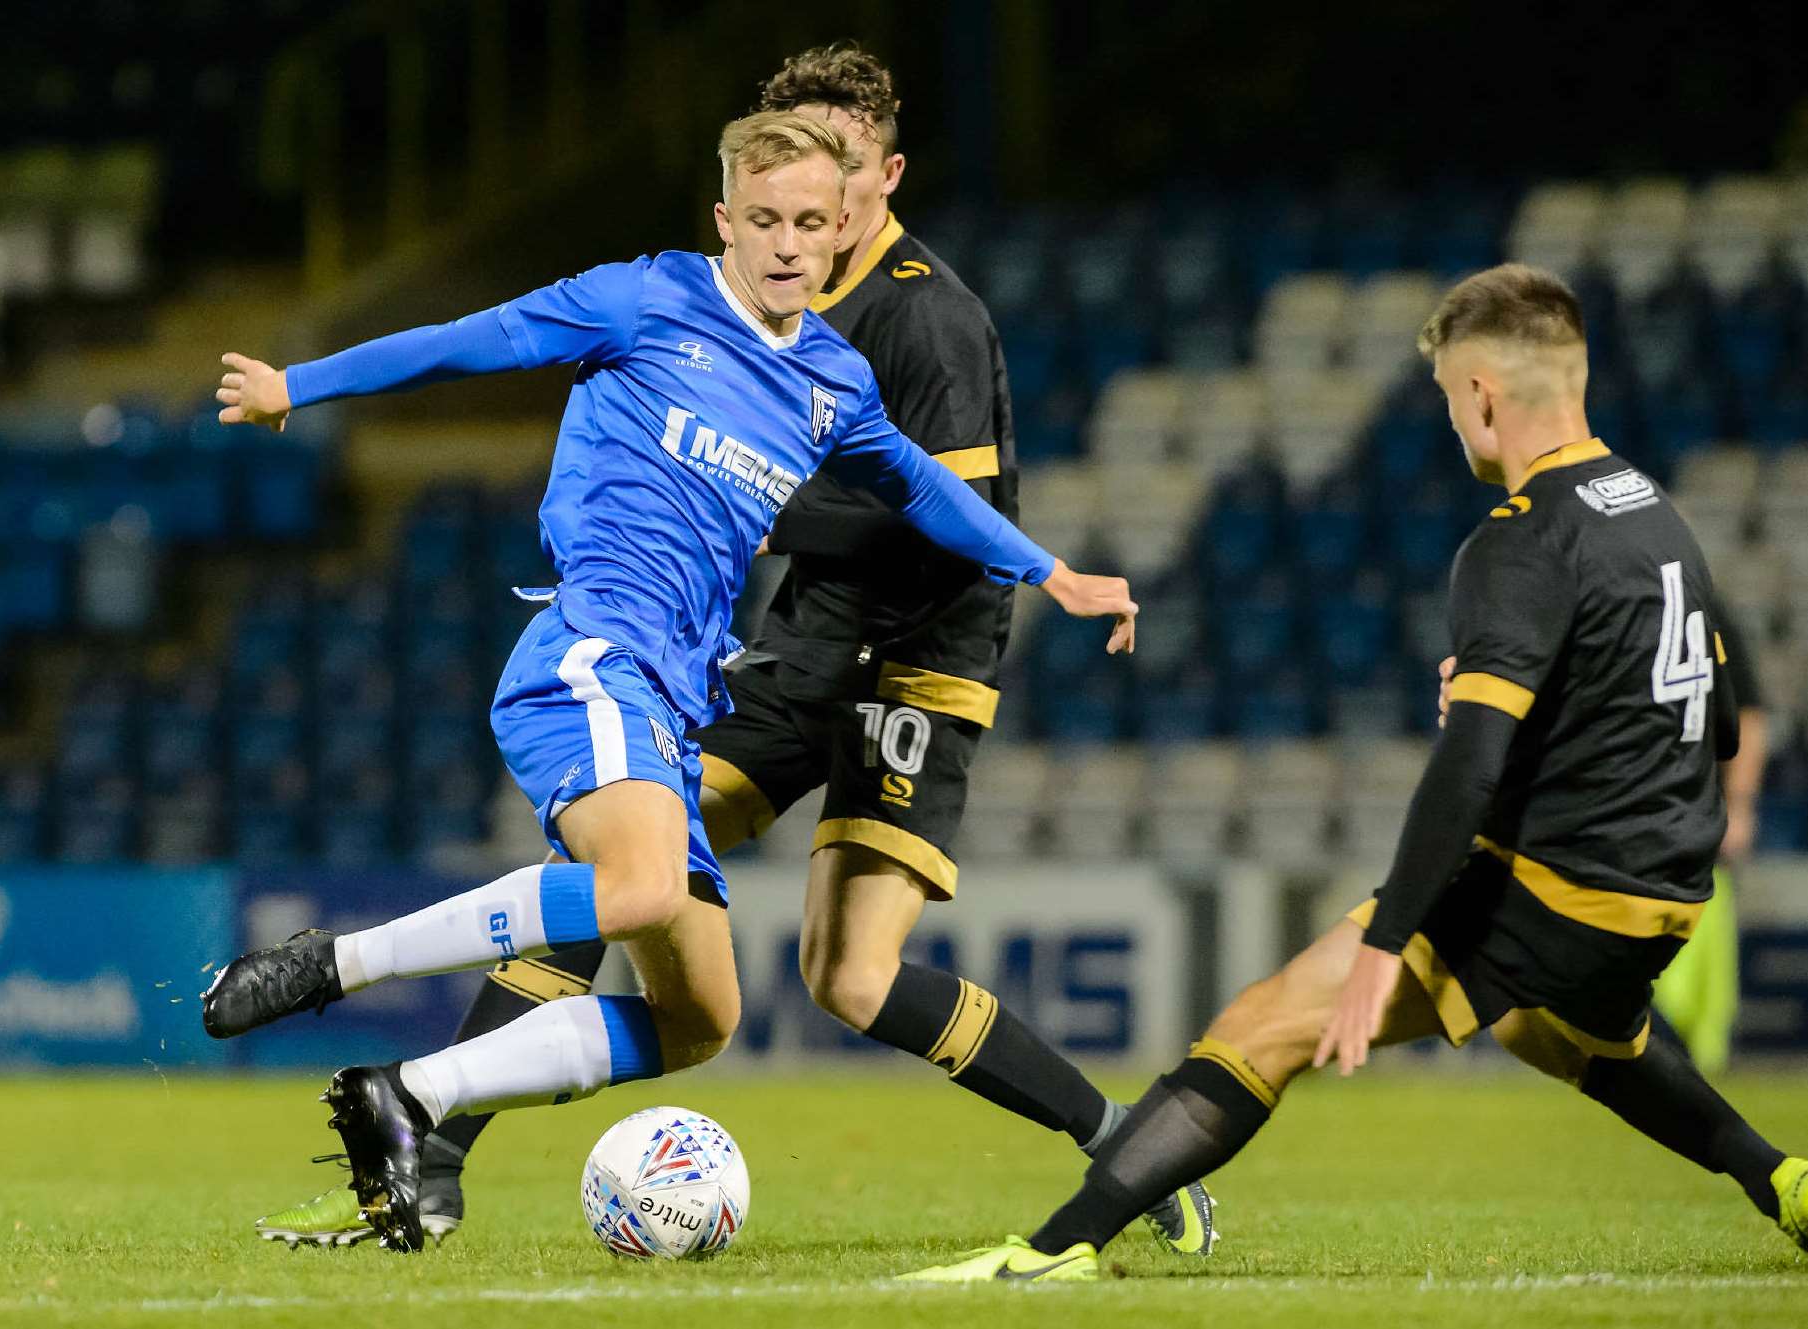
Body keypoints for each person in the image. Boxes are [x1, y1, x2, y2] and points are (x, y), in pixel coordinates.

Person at [249, 44, 1212, 1257]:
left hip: (912, 666)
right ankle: (428, 1143)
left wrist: (1040, 565)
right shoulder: (754, 307)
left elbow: (927, 514)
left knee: (849, 979)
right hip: (789, 651)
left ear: (881, 172)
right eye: (781, 194)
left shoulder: (920, 320)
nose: (811, 213)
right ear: (739, 201)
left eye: (837, 180)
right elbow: (507, 346)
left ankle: (1120, 1142)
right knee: (622, 852)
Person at [900, 262, 1808, 1283]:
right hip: (1667, 896)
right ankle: (1783, 1180)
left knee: (1264, 1024)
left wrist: (1385, 945)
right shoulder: (1653, 514)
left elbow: (1469, 767)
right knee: (1564, 1035)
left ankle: (1056, 1252)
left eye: (1448, 399)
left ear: (1482, 396)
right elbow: (1720, 725)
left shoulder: (1519, 543)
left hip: (1562, 886)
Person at [1651, 611, 1767, 1075]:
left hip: (1696, 828)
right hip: (1641, 821)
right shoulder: (1619, 607)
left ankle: (1688, 1072)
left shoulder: (1709, 617)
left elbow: (1749, 719)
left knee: (1695, 988)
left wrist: (1739, 804)